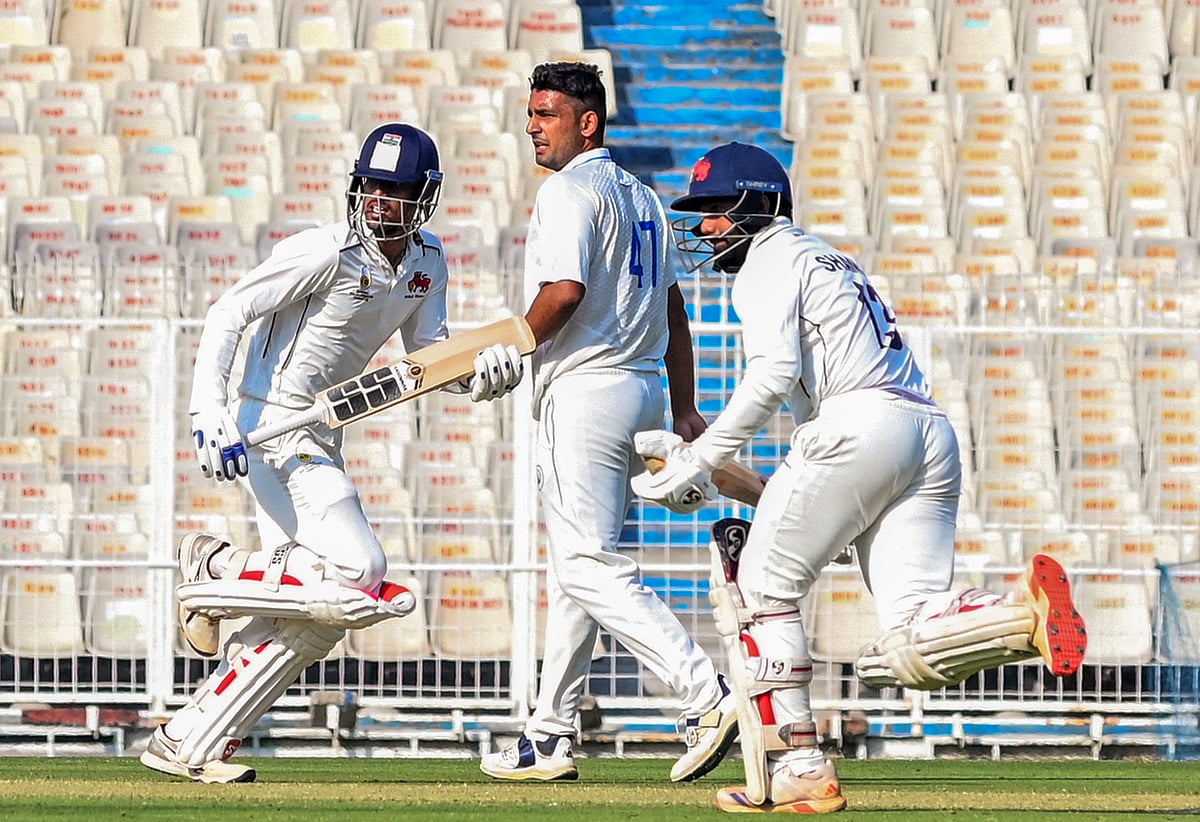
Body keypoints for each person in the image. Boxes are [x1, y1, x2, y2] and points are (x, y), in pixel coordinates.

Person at [631, 142, 1088, 813]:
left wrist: (699, 461)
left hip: (859, 426)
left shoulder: (767, 260)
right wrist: (740, 480)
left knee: (760, 585)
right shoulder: (827, 257)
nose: (704, 227)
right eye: (698, 213)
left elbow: (770, 377)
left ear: (761, 205)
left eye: (716, 211)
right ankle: (1019, 613)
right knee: (907, 633)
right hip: (925, 432)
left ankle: (803, 765)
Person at [140, 122, 524, 783]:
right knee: (358, 568)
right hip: (270, 429)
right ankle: (216, 567)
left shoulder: (428, 262)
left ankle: (186, 739)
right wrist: (208, 410)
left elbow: (424, 363)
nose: (378, 199)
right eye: (371, 185)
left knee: (317, 623)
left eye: (394, 189)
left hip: (323, 434)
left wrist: (481, 376)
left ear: (424, 195)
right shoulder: (325, 250)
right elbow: (228, 313)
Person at [478, 62, 737, 783]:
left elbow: (563, 293)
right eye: (530, 112)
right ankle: (550, 735)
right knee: (577, 571)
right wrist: (683, 405)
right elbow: (676, 311)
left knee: (588, 565)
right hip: (644, 389)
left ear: (587, 121)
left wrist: (511, 349)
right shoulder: (647, 197)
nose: (532, 124)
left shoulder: (568, 190)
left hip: (586, 392)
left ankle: (704, 696)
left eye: (547, 113)